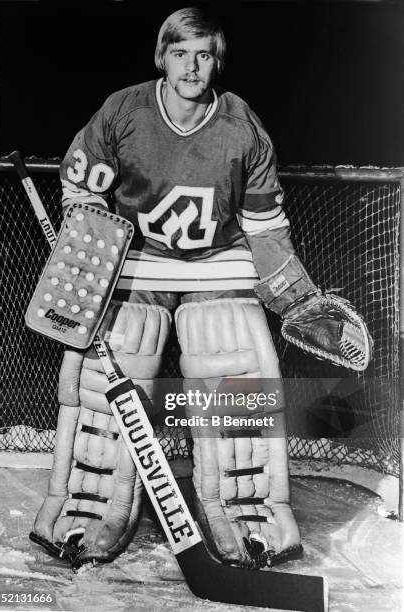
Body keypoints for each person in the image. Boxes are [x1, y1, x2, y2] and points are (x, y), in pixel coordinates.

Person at [29, 7, 351, 571]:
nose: (192, 67)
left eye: (203, 55)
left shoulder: (241, 125)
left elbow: (264, 229)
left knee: (226, 340)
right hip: (140, 259)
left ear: (215, 62)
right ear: (163, 57)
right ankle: (92, 503)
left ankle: (246, 510)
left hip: (217, 262)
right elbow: (82, 186)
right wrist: (89, 262)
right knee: (121, 349)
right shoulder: (124, 110)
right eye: (181, 53)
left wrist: (294, 296)